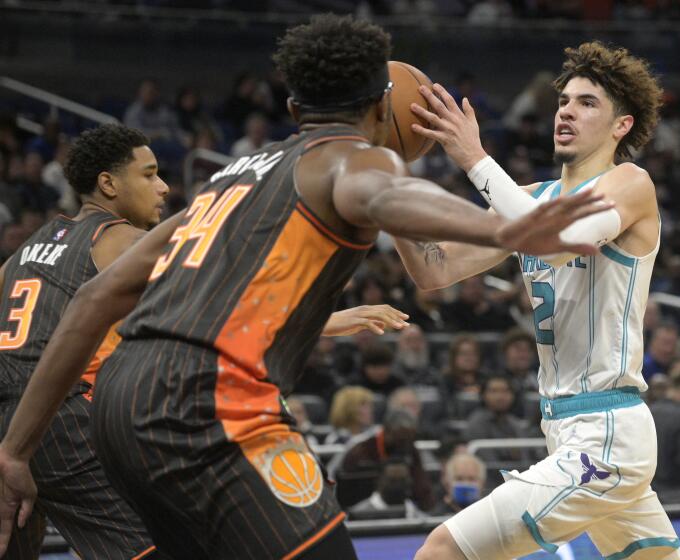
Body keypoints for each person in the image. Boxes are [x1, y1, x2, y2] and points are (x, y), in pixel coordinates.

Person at [0, 15, 605, 560]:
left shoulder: (232, 176)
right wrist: (505, 224)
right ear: (379, 106)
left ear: (294, 109)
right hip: (206, 404)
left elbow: (94, 299)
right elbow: (388, 194)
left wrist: (15, 452)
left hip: (116, 408)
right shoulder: (357, 159)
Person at [398, 42, 680, 559]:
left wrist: (474, 158)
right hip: (568, 430)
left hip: (605, 433)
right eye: (563, 101)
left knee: (441, 551)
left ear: (622, 125)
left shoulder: (630, 184)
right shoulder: (530, 199)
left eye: (587, 102)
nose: (567, 111)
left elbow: (548, 241)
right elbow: (432, 268)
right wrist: (388, 177)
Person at [0, 124, 167, 559]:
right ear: (108, 184)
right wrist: (329, 319)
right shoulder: (122, 239)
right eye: (149, 175)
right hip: (63, 422)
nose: (163, 187)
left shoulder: (27, 248)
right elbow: (218, 302)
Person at [429, 452, 487, 516]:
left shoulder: (490, 514)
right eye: (459, 479)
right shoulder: (435, 517)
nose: (466, 484)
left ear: (482, 483)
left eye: (471, 479)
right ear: (448, 483)